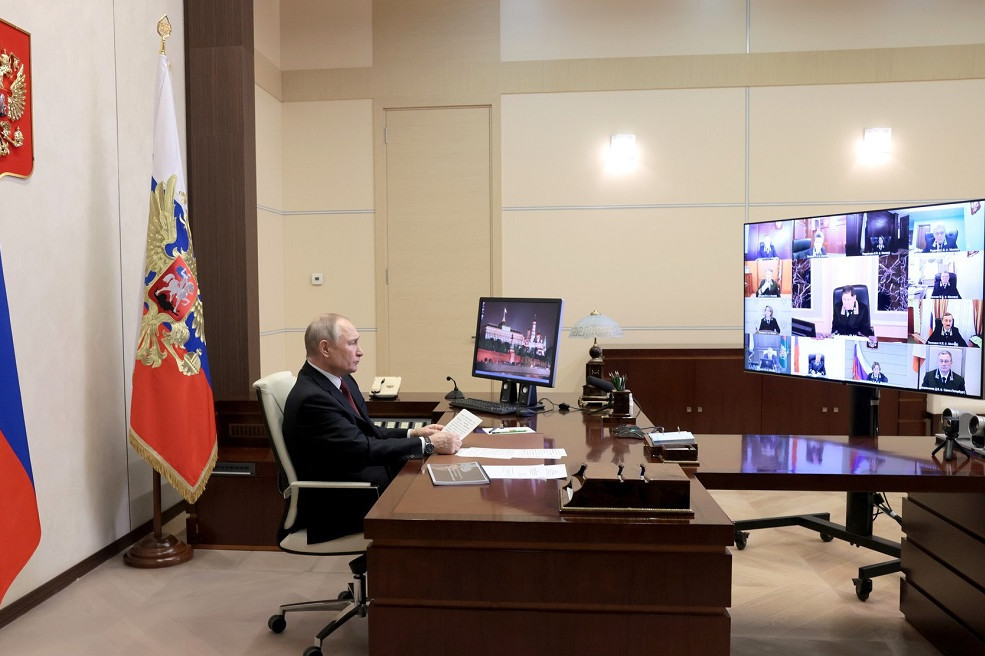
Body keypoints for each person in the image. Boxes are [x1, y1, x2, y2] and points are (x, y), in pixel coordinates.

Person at [282, 313, 463, 542]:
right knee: (435, 502)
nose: (361, 351)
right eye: (352, 343)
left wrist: (413, 433)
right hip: (340, 504)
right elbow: (361, 449)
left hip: (361, 481)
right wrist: (427, 445)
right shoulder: (312, 398)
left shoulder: (342, 380)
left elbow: (366, 432)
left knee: (436, 485)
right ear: (325, 348)